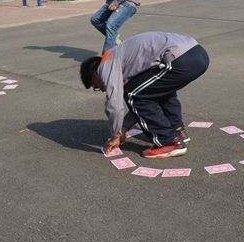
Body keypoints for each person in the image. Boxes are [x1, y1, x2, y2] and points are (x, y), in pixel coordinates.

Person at [80, 32, 210, 159]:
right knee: (153, 90)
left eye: (96, 86)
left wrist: (115, 135)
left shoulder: (106, 65)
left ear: (94, 74)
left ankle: (168, 141)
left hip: (181, 59)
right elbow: (146, 97)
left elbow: (114, 104)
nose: (101, 89)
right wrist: (124, 127)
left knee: (133, 93)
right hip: (198, 54)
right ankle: (176, 130)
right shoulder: (122, 57)